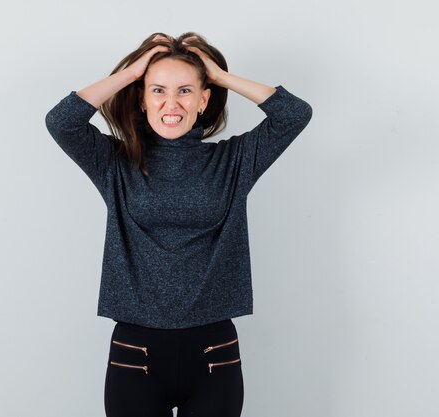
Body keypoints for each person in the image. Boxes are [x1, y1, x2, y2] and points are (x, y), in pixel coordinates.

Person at [45, 32, 312, 417]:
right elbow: (61, 122)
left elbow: (295, 114)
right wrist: (131, 71)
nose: (172, 103)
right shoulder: (116, 163)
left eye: (186, 91)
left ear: (203, 100)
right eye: (157, 90)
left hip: (213, 352)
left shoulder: (234, 161)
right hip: (135, 353)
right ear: (142, 97)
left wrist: (220, 76)